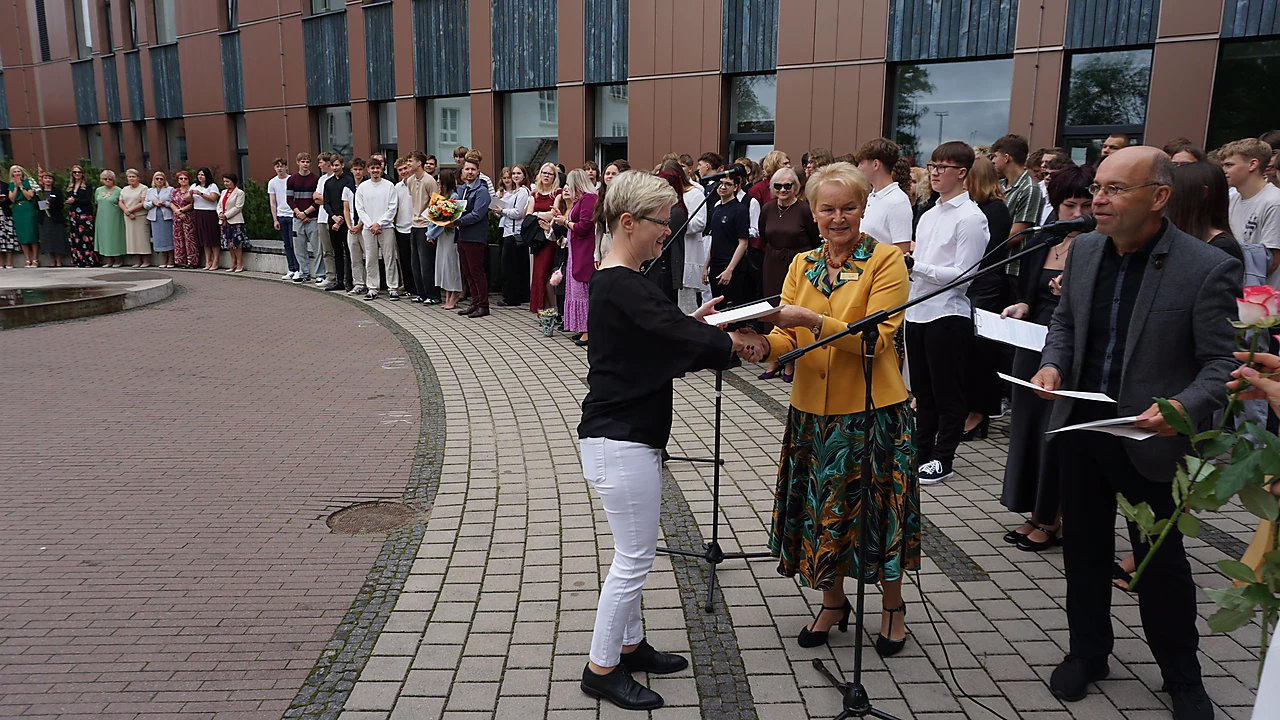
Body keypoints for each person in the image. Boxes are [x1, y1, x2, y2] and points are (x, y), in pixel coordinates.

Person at [1029, 146, 1239, 720]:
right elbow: (1065, 325)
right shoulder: (1084, 250)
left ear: (1159, 197)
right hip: (1083, 428)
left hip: (1152, 438)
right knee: (1084, 551)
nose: (1097, 199)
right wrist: (1053, 365)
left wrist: (1181, 407)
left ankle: (1182, 676)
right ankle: (1088, 652)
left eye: (1115, 189)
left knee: (1161, 563)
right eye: (1098, 187)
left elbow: (1223, 364)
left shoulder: (1205, 265)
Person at [577, 170, 756, 711]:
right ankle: (601, 668)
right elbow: (674, 336)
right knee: (634, 559)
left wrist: (692, 323)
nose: (668, 232)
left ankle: (630, 646)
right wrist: (734, 340)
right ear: (628, 222)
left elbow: (658, 338)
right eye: (662, 221)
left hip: (625, 436)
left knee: (632, 551)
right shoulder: (622, 284)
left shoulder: (621, 282)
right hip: (621, 439)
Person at [738, 161, 919, 658]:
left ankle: (892, 607)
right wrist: (760, 346)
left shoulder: (886, 261)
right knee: (823, 513)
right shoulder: (803, 263)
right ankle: (833, 602)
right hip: (811, 414)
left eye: (848, 208)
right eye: (827, 209)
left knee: (878, 515)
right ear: (813, 213)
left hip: (871, 413)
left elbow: (876, 341)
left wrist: (814, 320)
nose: (838, 218)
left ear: (863, 210)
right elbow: (787, 336)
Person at [999, 163, 1094, 553]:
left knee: (1054, 431)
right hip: (1031, 339)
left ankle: (1052, 518)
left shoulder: (1097, 245)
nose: (1077, 214)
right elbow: (1028, 289)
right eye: (1069, 205)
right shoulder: (1044, 238)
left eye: (1086, 205)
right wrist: (1021, 304)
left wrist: (1069, 291)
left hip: (1070, 345)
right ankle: (1034, 510)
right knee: (1027, 427)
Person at [907, 142, 989, 484]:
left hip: (947, 315)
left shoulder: (971, 218)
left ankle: (944, 458)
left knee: (947, 393)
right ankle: (921, 452)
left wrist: (915, 266)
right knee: (922, 392)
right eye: (932, 166)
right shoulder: (929, 214)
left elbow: (963, 276)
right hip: (917, 310)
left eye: (943, 167)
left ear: (962, 173)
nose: (935, 173)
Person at [960, 155, 1014, 439]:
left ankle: (980, 412)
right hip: (969, 283)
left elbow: (986, 251)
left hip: (986, 284)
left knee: (979, 349)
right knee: (966, 350)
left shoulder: (996, 210)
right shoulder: (972, 208)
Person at [757, 166, 820, 382]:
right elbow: (763, 236)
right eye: (778, 186)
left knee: (792, 308)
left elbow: (814, 239)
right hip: (773, 263)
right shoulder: (767, 208)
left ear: (796, 187)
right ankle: (775, 357)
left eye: (787, 185)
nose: (783, 190)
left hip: (799, 263)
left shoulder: (804, 209)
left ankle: (791, 361)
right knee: (773, 307)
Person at [1221, 138, 1280, 285]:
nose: (1224, 171)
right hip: (1236, 285)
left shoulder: (1274, 202)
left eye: (1229, 165)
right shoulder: (1232, 199)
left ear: (1252, 164)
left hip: (1262, 293)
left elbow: (1272, 261)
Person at [1167, 162, 1243, 264]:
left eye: (1175, 191)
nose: (1168, 198)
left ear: (1202, 193)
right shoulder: (1181, 237)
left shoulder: (1222, 249)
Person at [556, 169, 598, 344]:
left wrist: (565, 222)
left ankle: (588, 330)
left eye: (569, 184)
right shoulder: (582, 199)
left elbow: (584, 226)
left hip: (584, 249)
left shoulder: (588, 198)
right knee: (576, 289)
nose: (567, 188)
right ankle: (581, 327)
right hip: (576, 249)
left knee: (582, 290)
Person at [354, 158, 401, 300]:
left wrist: (379, 223)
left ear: (382, 169)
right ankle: (372, 287)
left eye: (377, 168)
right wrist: (370, 225)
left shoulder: (389, 186)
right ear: (368, 170)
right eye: (372, 168)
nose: (375, 170)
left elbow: (392, 207)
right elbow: (360, 209)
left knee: (389, 257)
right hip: (368, 229)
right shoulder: (362, 187)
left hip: (386, 227)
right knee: (370, 258)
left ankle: (392, 287)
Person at [856, 138, 914, 252]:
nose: (859, 168)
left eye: (861, 163)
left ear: (875, 164)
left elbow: (901, 251)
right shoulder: (870, 197)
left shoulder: (898, 201)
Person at [454, 151, 493, 317]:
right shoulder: (462, 189)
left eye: (473, 169)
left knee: (477, 272)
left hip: (475, 237)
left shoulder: (481, 190)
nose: (469, 172)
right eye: (467, 169)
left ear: (478, 172)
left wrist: (457, 222)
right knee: (468, 272)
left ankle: (483, 305)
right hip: (463, 236)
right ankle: (474, 302)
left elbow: (477, 214)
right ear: (462, 171)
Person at [703, 173, 750, 310]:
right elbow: (715, 239)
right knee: (717, 308)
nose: (723, 187)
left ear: (735, 187)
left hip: (730, 267)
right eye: (721, 183)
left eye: (728, 184)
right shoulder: (717, 208)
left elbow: (743, 243)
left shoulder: (739, 210)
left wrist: (730, 269)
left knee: (730, 309)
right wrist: (706, 266)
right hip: (715, 266)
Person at [992, 134, 1044, 244]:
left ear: (1006, 158)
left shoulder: (1029, 189)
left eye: (995, 156)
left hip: (1010, 254)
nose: (993, 161)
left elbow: (1017, 235)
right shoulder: (999, 185)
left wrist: (988, 250)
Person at [527, 162, 563, 315]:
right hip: (536, 239)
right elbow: (528, 216)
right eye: (544, 173)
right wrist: (540, 215)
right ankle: (543, 309)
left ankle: (553, 309)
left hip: (550, 238)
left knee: (547, 273)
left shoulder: (558, 193)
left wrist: (536, 215)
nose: (546, 176)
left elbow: (554, 215)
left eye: (550, 173)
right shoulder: (534, 194)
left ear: (555, 177)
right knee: (538, 273)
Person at [404, 151, 440, 304]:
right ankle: (421, 293)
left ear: (419, 163)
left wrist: (432, 230)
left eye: (410, 161)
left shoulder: (429, 180)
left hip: (426, 225)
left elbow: (435, 203)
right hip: (414, 225)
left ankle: (433, 295)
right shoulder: (410, 180)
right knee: (415, 263)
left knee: (426, 263)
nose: (408, 164)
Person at [678, 162, 710, 314]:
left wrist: (676, 224)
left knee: (687, 305)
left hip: (687, 252)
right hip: (669, 255)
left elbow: (700, 223)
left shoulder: (695, 193)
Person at [430, 168, 465, 309]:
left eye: (440, 179)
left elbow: (447, 219)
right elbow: (433, 216)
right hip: (442, 236)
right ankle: (448, 294)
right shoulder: (441, 196)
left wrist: (432, 233)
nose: (438, 181)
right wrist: (431, 231)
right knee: (443, 264)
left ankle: (454, 294)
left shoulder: (454, 196)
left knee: (451, 264)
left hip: (450, 235)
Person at [497, 164, 531, 306]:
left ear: (524, 175)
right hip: (509, 230)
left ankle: (512, 297)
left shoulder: (523, 192)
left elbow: (518, 213)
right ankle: (519, 295)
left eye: (518, 173)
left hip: (514, 232)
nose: (515, 176)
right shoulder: (516, 191)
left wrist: (502, 211)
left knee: (509, 267)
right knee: (514, 266)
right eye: (514, 173)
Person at [321, 155, 355, 291]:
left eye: (337, 165)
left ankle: (349, 281)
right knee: (337, 252)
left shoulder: (348, 181)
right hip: (332, 221)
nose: (335, 168)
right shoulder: (328, 183)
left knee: (348, 251)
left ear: (342, 165)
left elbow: (348, 203)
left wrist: (341, 218)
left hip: (346, 222)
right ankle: (339, 280)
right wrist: (333, 217)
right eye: (333, 165)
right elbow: (326, 203)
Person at [287, 153, 321, 282]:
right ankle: (304, 273)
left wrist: (306, 213)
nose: (305, 164)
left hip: (313, 218)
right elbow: (289, 199)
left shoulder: (316, 179)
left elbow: (317, 200)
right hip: (297, 219)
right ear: (297, 162)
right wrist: (299, 213)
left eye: (307, 161)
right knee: (299, 248)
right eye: (303, 161)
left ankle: (320, 274)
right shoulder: (292, 179)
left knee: (317, 248)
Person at [268, 158, 301, 279]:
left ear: (286, 167)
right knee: (286, 244)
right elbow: (273, 202)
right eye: (277, 166)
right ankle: (291, 268)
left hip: (292, 215)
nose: (279, 169)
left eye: (282, 166)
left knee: (294, 243)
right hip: (281, 216)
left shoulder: (292, 180)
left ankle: (298, 269)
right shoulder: (272, 182)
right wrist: (275, 219)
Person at [343, 158, 369, 297]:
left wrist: (360, 224)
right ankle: (358, 283)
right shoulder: (348, 188)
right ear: (351, 170)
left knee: (369, 257)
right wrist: (349, 226)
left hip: (364, 226)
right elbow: (346, 209)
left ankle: (370, 284)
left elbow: (368, 208)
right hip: (352, 227)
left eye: (360, 169)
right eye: (355, 169)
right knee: (355, 257)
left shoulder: (367, 186)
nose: (358, 172)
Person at [117, 169, 151, 268]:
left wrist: (130, 210)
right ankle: (138, 260)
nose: (131, 179)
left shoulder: (143, 188)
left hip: (139, 216)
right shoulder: (124, 189)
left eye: (133, 177)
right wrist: (126, 212)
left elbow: (143, 202)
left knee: (142, 239)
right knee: (132, 239)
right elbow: (120, 202)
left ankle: (146, 260)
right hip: (128, 217)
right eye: (129, 177)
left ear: (138, 178)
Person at [66, 165, 98, 268]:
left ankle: (88, 260)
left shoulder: (87, 185)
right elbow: (67, 196)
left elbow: (87, 199)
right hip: (74, 213)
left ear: (82, 173)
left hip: (84, 213)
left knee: (85, 236)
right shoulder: (70, 185)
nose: (77, 174)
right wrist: (69, 201)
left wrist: (75, 200)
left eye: (79, 172)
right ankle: (78, 260)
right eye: (75, 172)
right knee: (75, 236)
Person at [37, 170, 70, 267]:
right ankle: (52, 260)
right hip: (44, 218)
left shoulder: (57, 191)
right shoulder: (39, 192)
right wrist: (42, 205)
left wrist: (50, 205)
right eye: (46, 178)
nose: (48, 180)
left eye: (50, 178)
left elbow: (61, 205)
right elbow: (35, 204)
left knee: (58, 239)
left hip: (55, 218)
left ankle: (59, 260)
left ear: (53, 180)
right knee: (48, 240)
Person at [93, 170, 126, 267]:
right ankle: (109, 260)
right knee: (105, 237)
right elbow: (96, 202)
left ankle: (118, 260)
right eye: (105, 179)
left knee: (115, 237)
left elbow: (122, 203)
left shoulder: (119, 190)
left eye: (110, 179)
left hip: (115, 218)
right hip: (102, 217)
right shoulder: (98, 190)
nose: (107, 181)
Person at [8, 165, 39, 267]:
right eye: (15, 172)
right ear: (12, 174)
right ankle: (27, 259)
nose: (17, 173)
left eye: (19, 171)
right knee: (22, 235)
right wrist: (16, 187)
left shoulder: (28, 182)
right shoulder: (11, 184)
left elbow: (30, 196)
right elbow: (12, 199)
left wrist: (21, 186)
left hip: (28, 208)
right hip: (18, 209)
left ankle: (35, 259)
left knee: (31, 233)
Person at [192, 167, 222, 271]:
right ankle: (208, 260)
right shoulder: (194, 185)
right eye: (199, 174)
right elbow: (187, 199)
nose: (200, 177)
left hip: (209, 213)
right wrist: (189, 194)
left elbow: (213, 198)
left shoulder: (212, 186)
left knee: (212, 237)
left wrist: (200, 193)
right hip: (198, 212)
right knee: (203, 238)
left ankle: (216, 260)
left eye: (202, 175)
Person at [216, 173, 247, 273]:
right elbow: (219, 205)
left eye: (227, 181)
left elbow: (238, 207)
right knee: (229, 243)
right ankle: (233, 262)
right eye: (224, 181)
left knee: (236, 243)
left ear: (233, 182)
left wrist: (226, 215)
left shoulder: (239, 193)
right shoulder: (223, 192)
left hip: (235, 221)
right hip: (224, 222)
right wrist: (220, 213)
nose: (225, 183)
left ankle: (239, 263)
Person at [312, 153, 335, 287]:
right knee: (326, 250)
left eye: (321, 162)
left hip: (332, 218)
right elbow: (316, 198)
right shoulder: (321, 179)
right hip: (322, 218)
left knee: (337, 249)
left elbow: (331, 200)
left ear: (328, 163)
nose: (319, 165)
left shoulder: (335, 179)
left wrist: (324, 199)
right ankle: (330, 275)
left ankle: (342, 276)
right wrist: (324, 199)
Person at [144, 171, 174, 268]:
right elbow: (145, 204)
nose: (159, 181)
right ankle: (164, 259)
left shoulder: (170, 189)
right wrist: (153, 203)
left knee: (168, 238)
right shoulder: (150, 191)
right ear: (154, 180)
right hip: (155, 218)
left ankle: (171, 260)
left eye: (161, 179)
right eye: (157, 179)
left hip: (166, 217)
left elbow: (174, 202)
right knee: (159, 239)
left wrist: (164, 203)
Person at [170, 171, 198, 270]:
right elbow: (171, 202)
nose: (183, 180)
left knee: (189, 239)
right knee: (178, 238)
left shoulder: (191, 190)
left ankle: (192, 261)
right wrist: (177, 212)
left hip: (188, 217)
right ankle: (181, 261)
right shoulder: (175, 191)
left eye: (185, 178)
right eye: (181, 178)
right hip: (177, 217)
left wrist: (182, 210)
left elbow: (192, 203)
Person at [0, 182, 15, 268]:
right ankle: (0, 262)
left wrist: (3, 199)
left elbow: (10, 201)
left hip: (5, 213)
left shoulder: (5, 185)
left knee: (8, 236)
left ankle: (9, 261)